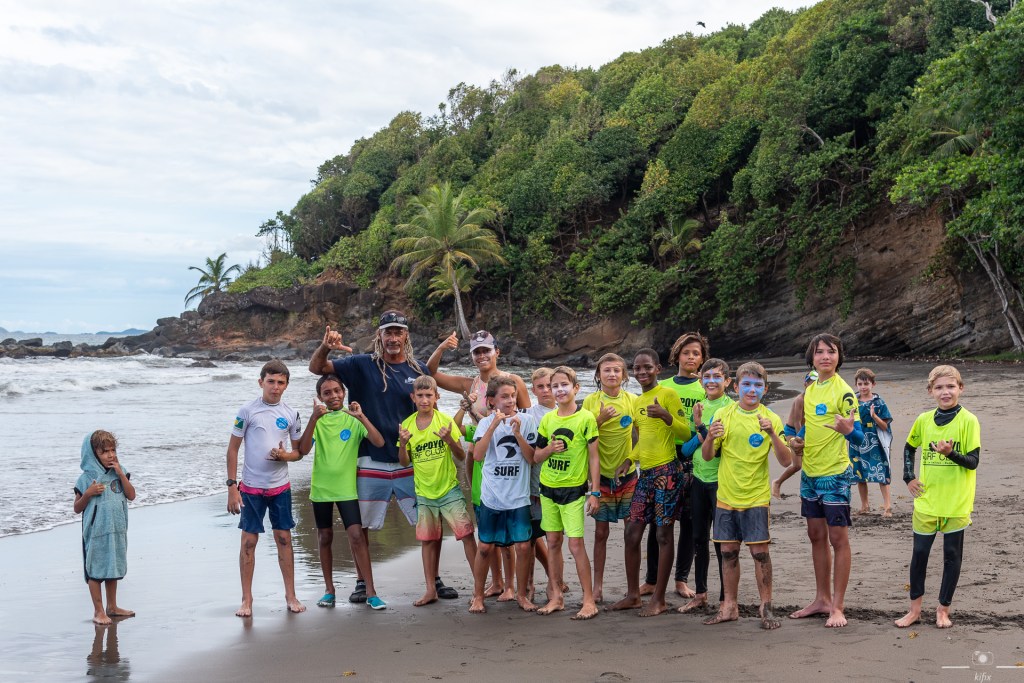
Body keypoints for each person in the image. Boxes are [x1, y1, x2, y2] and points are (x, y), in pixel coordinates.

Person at [308, 311, 460, 602]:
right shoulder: (360, 365)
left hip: (409, 461)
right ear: (379, 336)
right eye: (387, 332)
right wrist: (326, 345)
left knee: (430, 522)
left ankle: (434, 579)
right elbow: (317, 368)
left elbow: (432, 405)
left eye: (398, 332)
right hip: (370, 461)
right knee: (360, 526)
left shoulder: (417, 369)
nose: (393, 338)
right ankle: (363, 582)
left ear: (406, 336)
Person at [429, 330, 531, 601]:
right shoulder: (469, 384)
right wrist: (442, 346)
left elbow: (528, 417)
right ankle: (497, 582)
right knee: (487, 515)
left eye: (487, 350)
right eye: (477, 351)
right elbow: (431, 373)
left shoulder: (513, 381)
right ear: (472, 356)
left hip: (510, 457)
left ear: (497, 351)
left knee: (520, 525)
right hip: (480, 455)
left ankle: (519, 584)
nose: (482, 355)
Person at [700, 362, 792, 629]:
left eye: (758, 385)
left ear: (765, 389)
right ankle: (729, 606)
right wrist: (709, 438)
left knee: (760, 553)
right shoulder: (724, 415)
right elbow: (707, 456)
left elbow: (786, 460)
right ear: (736, 387)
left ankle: (767, 608)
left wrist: (772, 433)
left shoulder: (770, 418)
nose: (752, 390)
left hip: (755, 497)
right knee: (728, 551)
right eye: (747, 385)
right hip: (726, 496)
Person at [895, 365, 980, 630]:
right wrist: (909, 477)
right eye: (940, 387)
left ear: (960, 389)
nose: (946, 392)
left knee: (951, 556)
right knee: (919, 554)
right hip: (927, 500)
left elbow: (973, 462)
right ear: (931, 391)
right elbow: (909, 448)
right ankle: (914, 611)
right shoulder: (923, 420)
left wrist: (950, 454)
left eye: (951, 386)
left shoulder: (969, 421)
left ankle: (943, 610)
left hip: (956, 501)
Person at [789, 333, 863, 628]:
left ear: (838, 357)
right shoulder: (810, 391)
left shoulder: (844, 391)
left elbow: (857, 436)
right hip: (810, 473)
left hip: (835, 475)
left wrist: (848, 431)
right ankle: (821, 599)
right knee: (816, 537)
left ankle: (838, 606)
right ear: (812, 358)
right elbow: (808, 429)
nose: (825, 357)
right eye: (819, 352)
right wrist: (797, 442)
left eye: (831, 352)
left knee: (838, 539)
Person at [609, 349, 691, 617]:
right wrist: (628, 460)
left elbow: (686, 431)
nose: (642, 372)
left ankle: (659, 599)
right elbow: (642, 438)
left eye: (647, 367)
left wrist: (667, 416)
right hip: (644, 475)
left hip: (668, 473)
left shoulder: (668, 394)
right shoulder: (636, 401)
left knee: (663, 535)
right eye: (637, 368)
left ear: (657, 368)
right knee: (631, 534)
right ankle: (633, 595)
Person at [296, 374, 387, 610]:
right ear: (320, 397)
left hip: (347, 489)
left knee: (357, 536)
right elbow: (303, 449)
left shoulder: (353, 419)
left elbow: (378, 442)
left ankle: (371, 591)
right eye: (327, 393)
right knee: (325, 537)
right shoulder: (320, 420)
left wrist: (362, 416)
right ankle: (329, 591)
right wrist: (313, 419)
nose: (333, 396)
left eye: (337, 391)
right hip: (321, 489)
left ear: (344, 392)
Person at [226, 359, 305, 617]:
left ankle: (290, 596)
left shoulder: (291, 414)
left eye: (280, 382)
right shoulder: (246, 411)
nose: (275, 387)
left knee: (284, 538)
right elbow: (233, 449)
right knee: (249, 542)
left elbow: (298, 453)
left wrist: (285, 456)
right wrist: (231, 487)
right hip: (250, 488)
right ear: (261, 382)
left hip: (279, 487)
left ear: (286, 385)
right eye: (270, 381)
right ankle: (246, 600)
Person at [398, 376, 478, 607]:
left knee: (466, 536)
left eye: (429, 395)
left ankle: (478, 588)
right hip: (424, 493)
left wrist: (449, 440)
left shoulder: (445, 422)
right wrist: (403, 444)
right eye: (420, 396)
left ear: (437, 397)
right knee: (428, 541)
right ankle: (430, 589)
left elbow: (461, 457)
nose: (424, 400)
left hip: (449, 490)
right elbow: (404, 462)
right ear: (413, 397)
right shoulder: (407, 425)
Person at [533, 366, 601, 620]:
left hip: (574, 490)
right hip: (548, 488)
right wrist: (550, 448)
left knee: (575, 544)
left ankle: (588, 601)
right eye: (554, 386)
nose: (559, 390)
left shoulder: (586, 419)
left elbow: (595, 458)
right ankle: (556, 598)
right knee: (552, 543)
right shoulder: (548, 420)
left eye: (564, 385)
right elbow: (536, 456)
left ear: (575, 388)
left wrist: (595, 492)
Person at [469, 376, 540, 614]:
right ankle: (477, 596)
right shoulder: (484, 424)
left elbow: (531, 459)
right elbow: (478, 456)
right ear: (491, 401)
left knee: (522, 547)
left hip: (518, 497)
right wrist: (492, 425)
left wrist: (518, 433)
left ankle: (520, 594)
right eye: (504, 397)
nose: (510, 401)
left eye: (513, 396)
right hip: (492, 497)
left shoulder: (528, 421)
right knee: (486, 547)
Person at [649, 332, 708, 599]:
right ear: (676, 356)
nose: (691, 357)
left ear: (703, 359)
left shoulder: (705, 388)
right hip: (663, 456)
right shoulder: (663, 387)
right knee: (658, 521)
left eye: (696, 353)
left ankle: (681, 579)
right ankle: (651, 580)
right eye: (686, 353)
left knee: (689, 520)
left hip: (693, 459)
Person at [678, 358, 734, 614]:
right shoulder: (699, 408)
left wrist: (702, 432)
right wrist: (701, 428)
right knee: (699, 538)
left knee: (722, 542)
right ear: (700, 381)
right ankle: (701, 594)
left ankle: (725, 598)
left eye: (717, 376)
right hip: (699, 480)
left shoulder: (731, 409)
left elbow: (721, 450)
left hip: (722, 483)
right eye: (707, 376)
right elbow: (687, 451)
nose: (711, 381)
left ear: (727, 381)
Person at [582, 353, 638, 604]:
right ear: (598, 375)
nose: (612, 374)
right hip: (600, 478)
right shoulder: (590, 403)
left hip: (627, 476)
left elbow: (641, 436)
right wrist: (599, 420)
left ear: (624, 375)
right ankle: (597, 587)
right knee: (601, 533)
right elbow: (581, 435)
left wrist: (631, 460)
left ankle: (632, 588)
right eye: (607, 370)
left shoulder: (632, 401)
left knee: (631, 533)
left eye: (617, 370)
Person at [74, 430, 137, 625]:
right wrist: (89, 493)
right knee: (95, 570)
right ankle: (99, 611)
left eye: (113, 450)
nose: (110, 455)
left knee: (113, 566)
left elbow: (131, 495)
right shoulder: (85, 479)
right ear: (93, 454)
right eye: (104, 451)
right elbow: (77, 508)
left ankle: (112, 606)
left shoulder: (120, 471)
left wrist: (121, 474)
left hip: (117, 529)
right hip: (96, 532)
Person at [524, 367, 559, 600]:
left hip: (560, 487)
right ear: (533, 389)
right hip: (533, 489)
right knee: (530, 539)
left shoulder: (569, 412)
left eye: (550, 385)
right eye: (540, 387)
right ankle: (528, 585)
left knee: (554, 539)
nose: (546, 390)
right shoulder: (528, 415)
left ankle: (554, 583)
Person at [849, 368, 894, 516]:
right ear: (856, 384)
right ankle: (865, 506)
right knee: (860, 474)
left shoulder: (879, 402)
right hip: (857, 441)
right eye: (860, 384)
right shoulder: (852, 402)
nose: (863, 387)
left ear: (873, 384)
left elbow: (885, 426)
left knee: (882, 473)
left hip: (876, 442)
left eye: (866, 384)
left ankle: (887, 507)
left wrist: (874, 416)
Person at [771, 371, 817, 499]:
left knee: (810, 462)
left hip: (807, 431)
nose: (813, 386)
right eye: (811, 383)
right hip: (792, 431)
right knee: (797, 465)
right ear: (805, 384)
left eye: (816, 384)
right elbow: (797, 421)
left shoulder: (817, 398)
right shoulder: (800, 399)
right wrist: (799, 439)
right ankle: (777, 482)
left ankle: (810, 491)